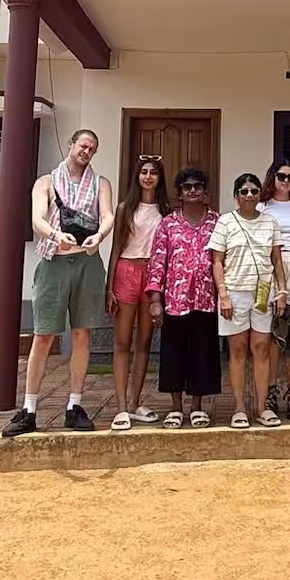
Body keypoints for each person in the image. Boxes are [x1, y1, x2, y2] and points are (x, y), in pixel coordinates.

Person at [1, 128, 114, 438]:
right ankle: (29, 408)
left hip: (88, 261)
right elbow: (37, 218)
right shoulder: (46, 182)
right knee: (43, 335)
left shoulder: (100, 183)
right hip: (54, 261)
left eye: (92, 148)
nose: (87, 151)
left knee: (82, 334)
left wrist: (99, 236)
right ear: (71, 144)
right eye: (83, 145)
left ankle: (74, 405)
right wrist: (54, 235)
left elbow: (107, 215)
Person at [208, 172, 287, 428]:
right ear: (236, 197)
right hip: (234, 292)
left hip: (263, 291)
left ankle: (262, 408)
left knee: (262, 348)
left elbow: (276, 260)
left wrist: (282, 291)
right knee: (238, 349)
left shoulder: (270, 222)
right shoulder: (225, 223)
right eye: (244, 191)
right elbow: (217, 261)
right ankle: (240, 408)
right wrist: (223, 294)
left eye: (254, 191)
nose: (250, 195)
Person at [146, 167, 221, 429]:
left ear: (204, 191)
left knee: (202, 352)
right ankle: (175, 407)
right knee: (174, 353)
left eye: (197, 186)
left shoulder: (217, 222)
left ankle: (197, 406)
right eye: (187, 187)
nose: (192, 191)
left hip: (206, 299)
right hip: (174, 301)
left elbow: (223, 260)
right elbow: (157, 263)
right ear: (179, 192)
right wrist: (156, 300)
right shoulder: (167, 224)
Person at [104, 155, 172, 431]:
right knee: (122, 342)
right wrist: (109, 287)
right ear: (137, 176)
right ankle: (120, 407)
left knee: (144, 342)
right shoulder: (124, 209)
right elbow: (115, 248)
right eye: (143, 172)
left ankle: (135, 403)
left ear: (159, 178)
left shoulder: (166, 211)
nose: (147, 177)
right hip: (125, 271)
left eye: (153, 173)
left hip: (152, 275)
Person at [261, 158, 290, 420]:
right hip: (270, 268)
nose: (286, 181)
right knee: (273, 335)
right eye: (281, 176)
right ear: (273, 177)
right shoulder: (261, 206)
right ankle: (270, 389)